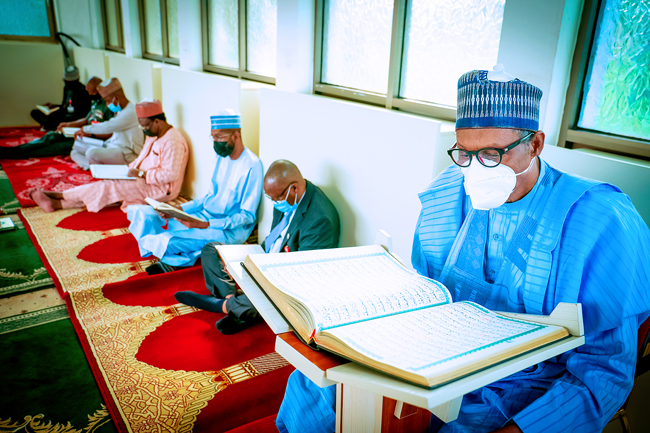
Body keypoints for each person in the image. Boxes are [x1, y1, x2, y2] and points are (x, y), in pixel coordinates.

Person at [274, 67, 650, 433]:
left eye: (491, 155)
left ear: (534, 144)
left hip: (522, 383)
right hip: (433, 356)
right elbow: (422, 293)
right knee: (318, 392)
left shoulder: (599, 220)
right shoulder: (446, 193)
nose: (474, 171)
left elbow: (604, 370)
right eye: (464, 154)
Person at [175, 159, 341, 334]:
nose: (275, 203)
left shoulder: (320, 219)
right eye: (271, 198)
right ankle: (233, 301)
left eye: (277, 198)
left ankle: (223, 305)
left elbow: (300, 275)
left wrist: (260, 273)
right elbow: (275, 238)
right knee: (211, 249)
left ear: (294, 188)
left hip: (285, 275)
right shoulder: (286, 196)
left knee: (275, 298)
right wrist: (243, 263)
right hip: (265, 257)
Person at [127, 109, 264, 274]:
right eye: (213, 137)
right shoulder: (221, 156)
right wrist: (180, 210)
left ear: (236, 135)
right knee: (143, 213)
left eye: (220, 137)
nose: (216, 142)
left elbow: (247, 217)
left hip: (227, 230)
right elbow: (208, 197)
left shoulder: (252, 165)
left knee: (168, 240)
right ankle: (179, 253)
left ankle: (176, 259)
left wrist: (206, 224)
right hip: (203, 216)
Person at [29, 100, 188, 214]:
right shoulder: (154, 135)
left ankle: (58, 199)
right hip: (141, 179)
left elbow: (170, 175)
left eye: (146, 125)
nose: (143, 129)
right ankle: (58, 201)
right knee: (109, 184)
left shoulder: (172, 140)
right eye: (141, 125)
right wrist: (128, 170)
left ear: (158, 121)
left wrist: (141, 174)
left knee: (109, 187)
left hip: (159, 189)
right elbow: (141, 160)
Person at [0, 77, 113, 160]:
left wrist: (91, 134)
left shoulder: (109, 106)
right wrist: (68, 125)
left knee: (58, 147)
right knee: (52, 136)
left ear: (98, 90)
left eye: (91, 93)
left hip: (93, 140)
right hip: (83, 133)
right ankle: (16, 150)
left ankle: (17, 154)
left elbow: (112, 132)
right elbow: (86, 119)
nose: (89, 95)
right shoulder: (95, 102)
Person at [70, 78, 144, 169]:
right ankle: (93, 167)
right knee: (75, 149)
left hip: (126, 154)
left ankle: (100, 168)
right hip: (112, 146)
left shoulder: (131, 112)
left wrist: (85, 129)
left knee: (91, 153)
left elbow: (107, 127)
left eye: (107, 101)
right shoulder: (120, 111)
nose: (107, 104)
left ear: (116, 98)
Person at [30, 66, 92, 131]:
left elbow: (79, 112)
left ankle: (49, 125)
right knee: (34, 113)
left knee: (65, 118)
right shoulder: (66, 88)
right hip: (63, 113)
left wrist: (60, 112)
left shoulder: (83, 91)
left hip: (71, 116)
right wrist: (53, 106)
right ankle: (48, 125)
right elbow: (64, 105)